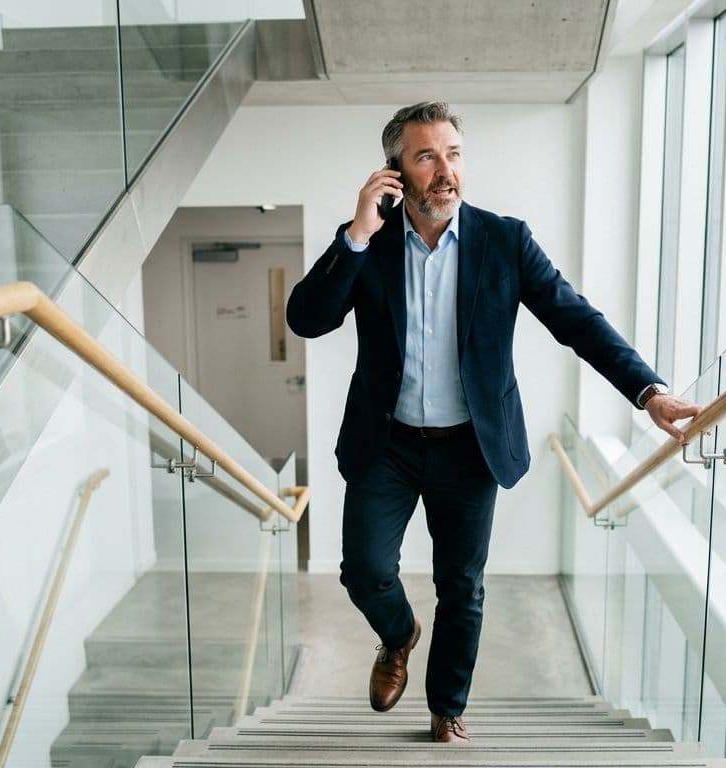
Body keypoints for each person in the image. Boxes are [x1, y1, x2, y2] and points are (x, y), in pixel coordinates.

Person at [286, 102, 700, 744]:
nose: (444, 170)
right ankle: (398, 636)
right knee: (364, 569)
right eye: (425, 156)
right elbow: (307, 319)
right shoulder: (365, 244)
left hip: (469, 447)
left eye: (453, 153)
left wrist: (648, 391)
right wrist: (357, 235)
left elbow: (575, 319)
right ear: (394, 170)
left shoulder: (504, 240)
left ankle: (445, 708)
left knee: (462, 586)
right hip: (386, 443)